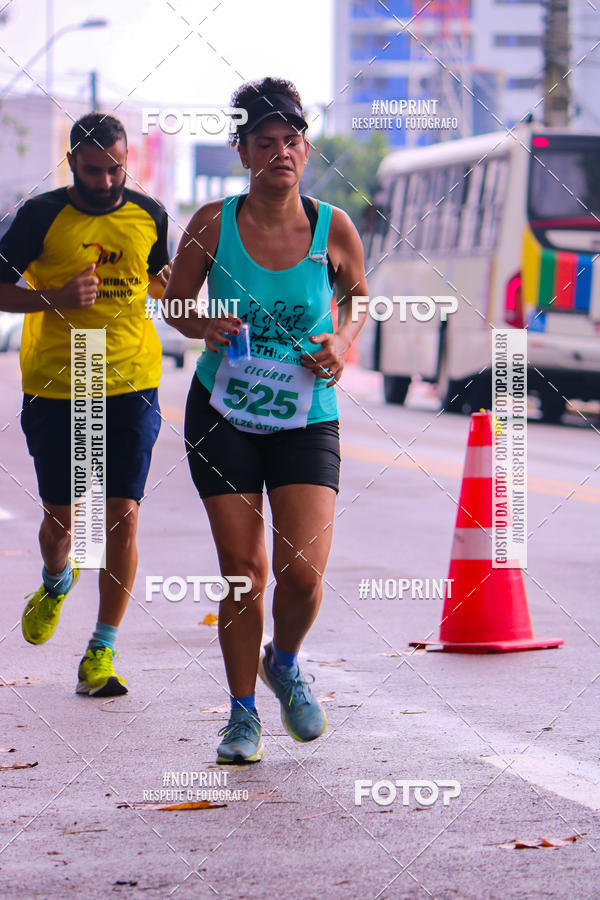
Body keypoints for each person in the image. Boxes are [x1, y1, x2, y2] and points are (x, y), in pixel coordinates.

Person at [163, 76, 368, 764]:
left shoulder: (332, 225)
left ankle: (284, 661)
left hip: (308, 414)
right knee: (244, 571)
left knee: (303, 572)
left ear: (305, 148)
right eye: (265, 142)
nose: (280, 152)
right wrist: (205, 322)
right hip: (225, 411)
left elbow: (358, 295)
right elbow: (176, 304)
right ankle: (242, 715)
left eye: (291, 140)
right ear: (242, 151)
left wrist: (341, 343)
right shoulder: (213, 222)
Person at [0, 112, 170, 697]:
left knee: (121, 515)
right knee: (63, 522)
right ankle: (55, 579)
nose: (105, 181)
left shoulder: (150, 216)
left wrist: (171, 286)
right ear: (71, 161)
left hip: (129, 380)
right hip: (57, 383)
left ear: (129, 161)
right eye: (94, 169)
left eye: (116, 168)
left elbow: (158, 279)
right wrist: (53, 296)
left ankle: (101, 651)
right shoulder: (40, 215)